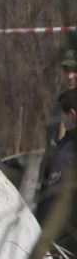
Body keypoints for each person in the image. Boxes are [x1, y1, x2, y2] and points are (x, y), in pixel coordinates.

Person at [36, 89, 77, 226]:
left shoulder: (65, 155)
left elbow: (53, 206)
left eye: (63, 115)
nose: (62, 120)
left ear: (72, 115)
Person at [46, 51, 77, 146]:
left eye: (75, 71)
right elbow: (52, 141)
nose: (70, 76)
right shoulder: (61, 101)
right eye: (67, 71)